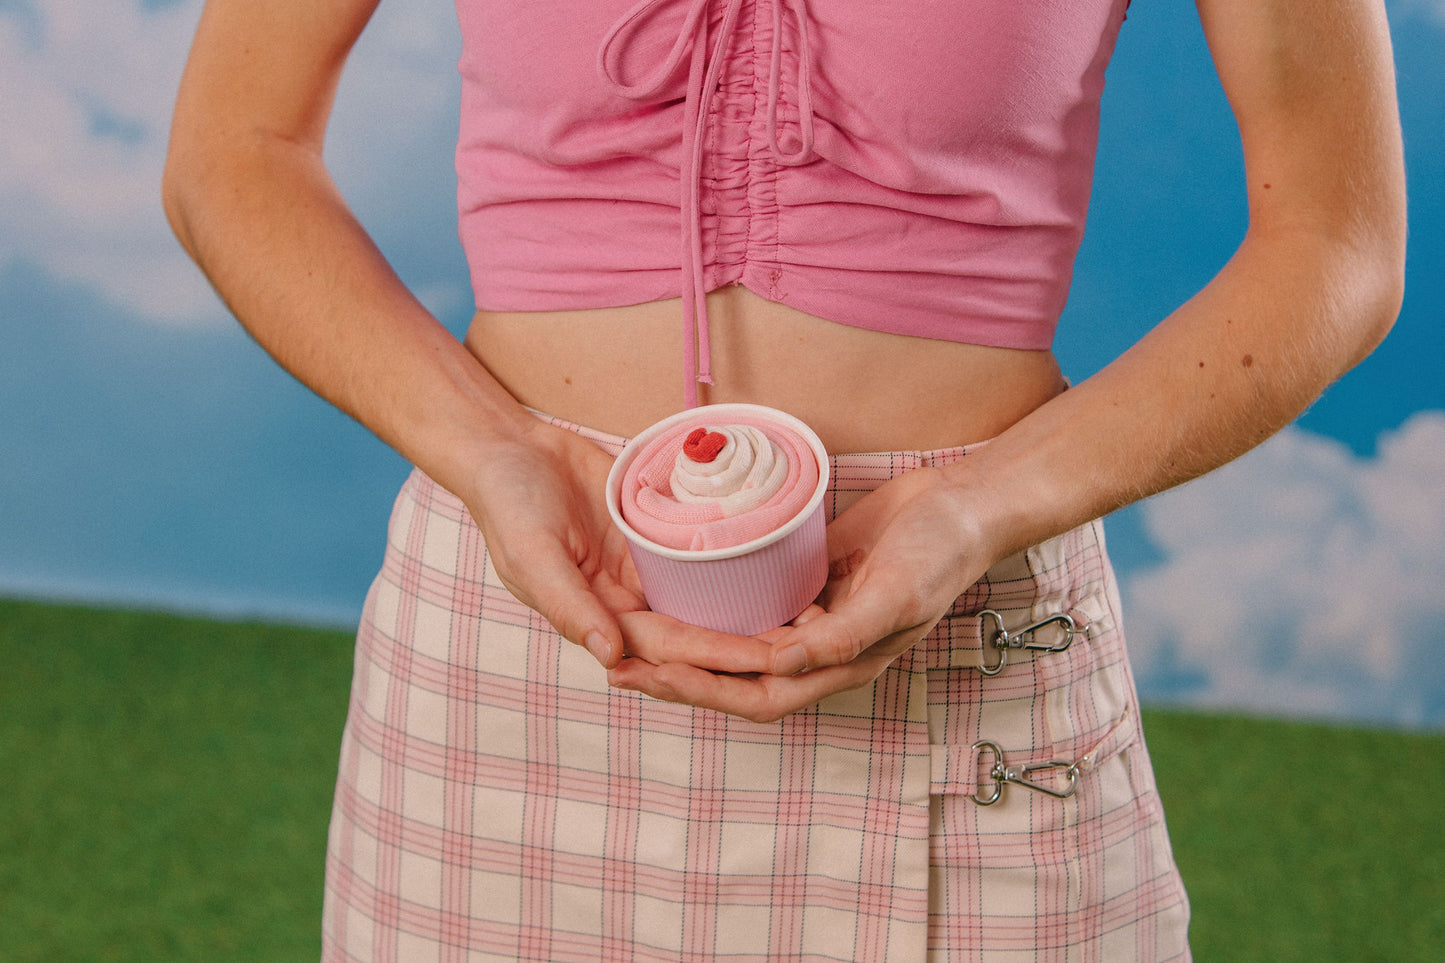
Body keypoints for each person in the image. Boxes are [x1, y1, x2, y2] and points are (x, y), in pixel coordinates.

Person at [163, 0, 1405, 958]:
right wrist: (491, 451)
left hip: (956, 617)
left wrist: (984, 504)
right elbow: (237, 148)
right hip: (521, 614)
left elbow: (1333, 245)